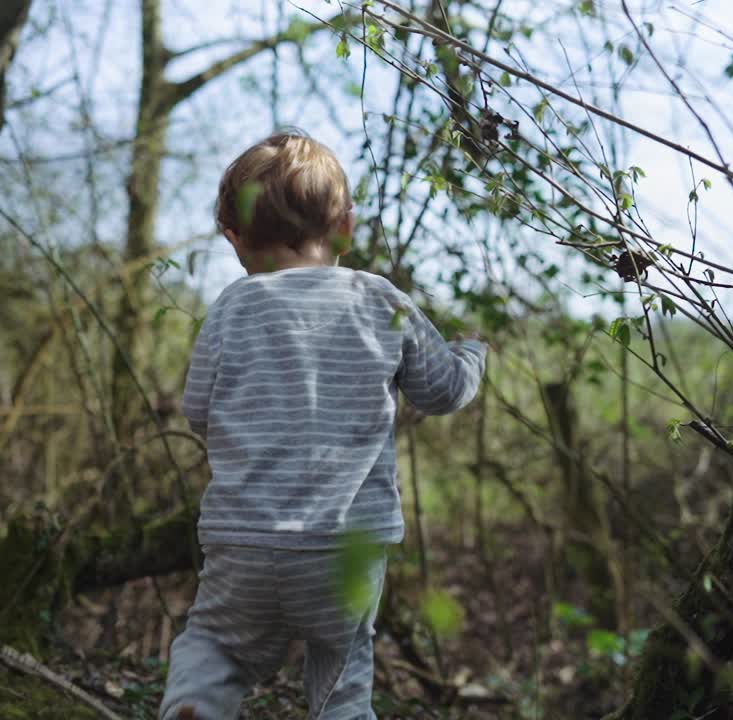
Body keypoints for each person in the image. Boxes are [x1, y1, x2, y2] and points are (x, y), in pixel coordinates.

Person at [159, 130, 487, 720]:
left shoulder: (231, 309)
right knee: (341, 671)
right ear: (345, 228)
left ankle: (197, 705)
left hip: (244, 540)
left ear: (235, 240)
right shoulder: (379, 300)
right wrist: (472, 353)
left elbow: (198, 410)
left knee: (216, 645)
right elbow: (442, 392)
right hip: (344, 552)